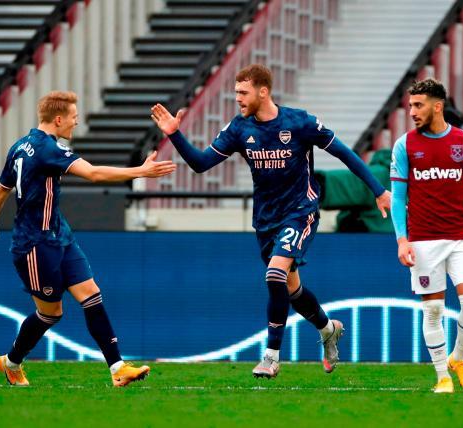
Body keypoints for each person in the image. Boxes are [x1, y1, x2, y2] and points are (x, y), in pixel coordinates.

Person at [151, 64, 391, 378]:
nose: (238, 98)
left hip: (300, 211)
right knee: (291, 288)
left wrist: (378, 190)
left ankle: (271, 357)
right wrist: (174, 134)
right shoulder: (239, 129)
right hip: (266, 219)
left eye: (243, 92)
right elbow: (200, 164)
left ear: (263, 92)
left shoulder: (299, 122)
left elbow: (344, 153)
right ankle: (328, 329)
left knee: (275, 273)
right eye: (236, 92)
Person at [0, 91, 176, 387]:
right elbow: (93, 174)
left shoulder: (20, 146)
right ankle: (11, 362)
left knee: (91, 294)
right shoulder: (46, 149)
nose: (76, 122)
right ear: (58, 119)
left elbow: (0, 191)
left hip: (60, 235)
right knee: (50, 313)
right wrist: (141, 172)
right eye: (73, 117)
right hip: (34, 244)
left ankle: (118, 368)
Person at [390, 78, 463, 393]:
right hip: (423, 240)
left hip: (461, 236)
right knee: (434, 310)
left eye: (418, 105)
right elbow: (398, 197)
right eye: (410, 105)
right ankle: (442, 377)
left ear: (438, 106)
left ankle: (459, 359)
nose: (412, 112)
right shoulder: (405, 145)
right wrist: (401, 239)